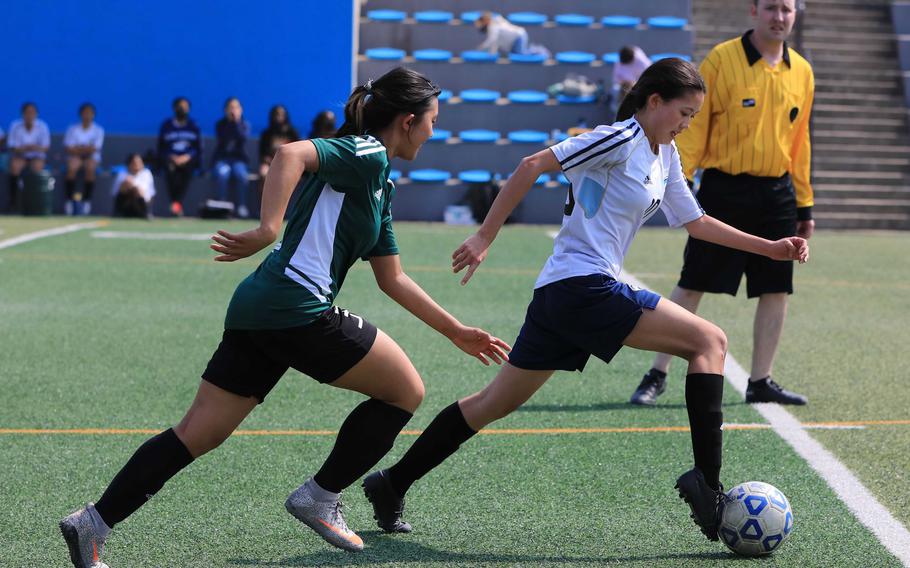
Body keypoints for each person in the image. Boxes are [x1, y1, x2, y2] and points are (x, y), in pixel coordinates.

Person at [59, 66, 510, 566]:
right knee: (405, 390)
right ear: (407, 121)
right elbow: (290, 153)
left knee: (198, 433)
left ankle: (91, 524)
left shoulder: (380, 182)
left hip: (262, 308)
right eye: (432, 120)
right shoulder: (369, 151)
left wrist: (457, 332)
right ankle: (321, 495)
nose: (434, 130)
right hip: (297, 308)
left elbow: (392, 278)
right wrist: (267, 228)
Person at [360, 58, 809, 545]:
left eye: (693, 117)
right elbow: (532, 164)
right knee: (710, 342)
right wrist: (485, 236)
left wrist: (770, 247)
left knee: (492, 402)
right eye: (683, 113)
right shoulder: (619, 138)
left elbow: (695, 221)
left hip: (564, 293)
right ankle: (708, 483)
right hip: (582, 286)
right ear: (653, 101)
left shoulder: (665, 154)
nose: (686, 124)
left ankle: (391, 482)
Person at [631, 0, 814, 407]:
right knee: (694, 281)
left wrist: (805, 205)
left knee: (775, 288)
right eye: (770, 8)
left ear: (795, 13)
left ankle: (760, 380)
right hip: (724, 190)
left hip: (778, 194)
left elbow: (800, 144)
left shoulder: (802, 70)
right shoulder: (722, 60)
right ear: (753, 11)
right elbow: (693, 130)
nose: (778, 17)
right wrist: (683, 180)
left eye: (786, 9)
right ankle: (656, 373)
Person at [157, 96, 202, 217]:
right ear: (174, 108)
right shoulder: (166, 125)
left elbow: (198, 148)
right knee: (170, 171)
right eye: (179, 107)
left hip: (188, 160)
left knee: (187, 171)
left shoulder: (194, 126)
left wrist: (187, 156)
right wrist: (172, 156)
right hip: (171, 159)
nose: (182, 109)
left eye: (185, 107)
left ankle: (176, 204)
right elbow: (161, 147)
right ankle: (177, 204)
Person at [6, 102, 50, 212]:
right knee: (15, 166)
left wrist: (34, 147)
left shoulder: (42, 126)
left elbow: (45, 148)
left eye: (32, 112)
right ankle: (14, 202)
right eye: (27, 112)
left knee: (37, 167)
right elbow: (12, 147)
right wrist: (25, 148)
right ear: (22, 114)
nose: (29, 115)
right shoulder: (15, 126)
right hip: (20, 156)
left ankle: (35, 203)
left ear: (36, 114)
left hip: (37, 157)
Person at [212, 97, 252, 218]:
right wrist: (230, 123)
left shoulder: (244, 124)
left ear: (241, 110)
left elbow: (242, 138)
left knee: (241, 175)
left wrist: (236, 123)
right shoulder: (220, 125)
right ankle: (223, 207)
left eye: (236, 107)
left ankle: (241, 206)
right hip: (223, 159)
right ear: (225, 110)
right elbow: (223, 138)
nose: (233, 110)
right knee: (222, 174)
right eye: (230, 108)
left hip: (239, 160)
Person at [63, 103, 105, 215]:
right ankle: (69, 201)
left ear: (93, 115)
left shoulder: (98, 130)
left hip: (91, 158)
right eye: (84, 112)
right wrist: (84, 149)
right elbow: (69, 148)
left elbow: (94, 149)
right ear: (80, 114)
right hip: (75, 157)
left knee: (91, 168)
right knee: (72, 167)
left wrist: (79, 148)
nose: (87, 115)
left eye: (90, 113)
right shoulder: (72, 129)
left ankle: (87, 201)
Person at [475, 11, 549, 58]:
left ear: (485, 21)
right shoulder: (493, 26)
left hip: (518, 37)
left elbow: (492, 39)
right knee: (517, 54)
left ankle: (540, 51)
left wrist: (483, 46)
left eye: (481, 24)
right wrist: (492, 53)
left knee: (521, 54)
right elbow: (495, 42)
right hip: (515, 39)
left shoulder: (493, 26)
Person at [258, 104, 300, 179]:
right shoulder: (267, 133)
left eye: (282, 114)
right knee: (263, 172)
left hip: (289, 163)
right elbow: (263, 154)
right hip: (270, 163)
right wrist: (271, 161)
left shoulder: (292, 133)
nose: (279, 117)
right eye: (277, 114)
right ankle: (265, 191)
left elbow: (299, 151)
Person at [609, 46, 652, 119]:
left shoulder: (642, 62)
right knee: (614, 91)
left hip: (640, 87)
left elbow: (649, 76)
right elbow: (616, 81)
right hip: (623, 89)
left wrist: (634, 85)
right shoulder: (620, 62)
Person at [112, 153, 155, 218]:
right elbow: (115, 192)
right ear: (129, 164)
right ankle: (118, 213)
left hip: (141, 205)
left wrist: (132, 184)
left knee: (136, 189)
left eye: (139, 162)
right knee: (126, 185)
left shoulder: (147, 173)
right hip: (126, 205)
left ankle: (146, 214)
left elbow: (143, 192)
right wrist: (126, 184)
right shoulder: (122, 173)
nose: (137, 165)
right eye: (135, 163)